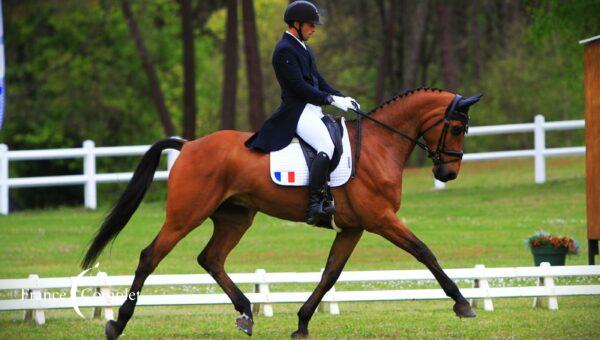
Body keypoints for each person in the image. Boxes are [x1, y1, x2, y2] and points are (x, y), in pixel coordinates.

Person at [245, 0, 360, 225]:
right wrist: (329, 99)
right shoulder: (284, 50)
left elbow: (318, 81)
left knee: (336, 141)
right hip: (297, 111)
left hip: (312, 109)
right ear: (296, 24)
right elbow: (299, 87)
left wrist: (341, 97)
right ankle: (315, 205)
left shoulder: (303, 47)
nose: (314, 28)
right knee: (325, 145)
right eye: (310, 24)